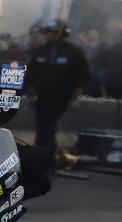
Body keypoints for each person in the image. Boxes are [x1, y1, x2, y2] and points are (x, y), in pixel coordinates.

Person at [26, 20, 90, 163]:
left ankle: (42, 157)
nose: (51, 35)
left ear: (63, 33)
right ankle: (48, 155)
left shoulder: (74, 52)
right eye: (48, 31)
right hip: (41, 96)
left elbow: (82, 78)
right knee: (41, 125)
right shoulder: (39, 51)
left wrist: (74, 99)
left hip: (61, 97)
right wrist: (31, 94)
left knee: (47, 124)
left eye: (55, 32)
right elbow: (31, 75)